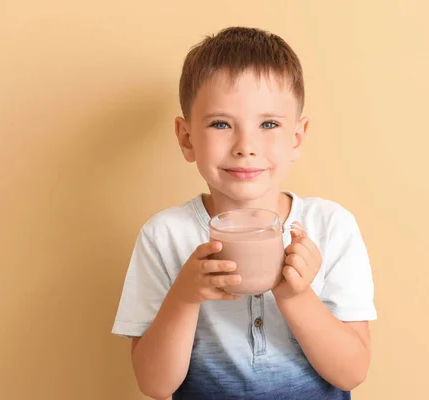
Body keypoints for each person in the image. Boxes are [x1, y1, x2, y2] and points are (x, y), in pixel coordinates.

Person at [111, 26, 377, 399]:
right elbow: (155, 385)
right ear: (187, 139)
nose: (245, 146)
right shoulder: (165, 235)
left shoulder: (330, 227)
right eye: (221, 124)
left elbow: (351, 373)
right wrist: (184, 297)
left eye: (269, 124)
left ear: (296, 137)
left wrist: (296, 297)